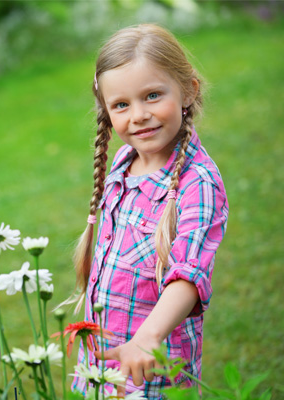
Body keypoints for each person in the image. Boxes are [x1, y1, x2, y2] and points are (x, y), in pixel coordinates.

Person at [69, 24, 228, 398]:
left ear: (189, 90)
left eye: (153, 95)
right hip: (103, 364)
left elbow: (188, 275)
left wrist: (148, 337)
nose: (138, 115)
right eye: (121, 105)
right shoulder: (125, 162)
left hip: (155, 370)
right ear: (106, 111)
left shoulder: (198, 182)